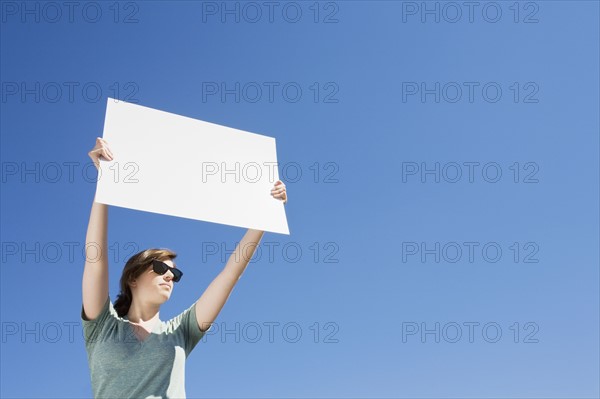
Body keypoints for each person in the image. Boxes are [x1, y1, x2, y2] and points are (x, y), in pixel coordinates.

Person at [81, 137, 288, 398]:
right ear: (132, 277)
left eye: (175, 273)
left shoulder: (181, 331)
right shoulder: (102, 326)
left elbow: (230, 274)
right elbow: (95, 258)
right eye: (159, 267)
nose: (170, 275)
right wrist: (105, 183)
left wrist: (265, 214)